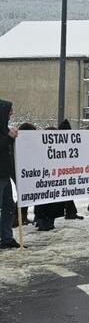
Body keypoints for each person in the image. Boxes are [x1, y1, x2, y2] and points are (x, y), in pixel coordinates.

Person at [0, 100, 20, 248]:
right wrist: (9, 138)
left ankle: (6, 238)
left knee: (9, 206)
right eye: (9, 111)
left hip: (5, 175)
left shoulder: (4, 129)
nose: (11, 114)